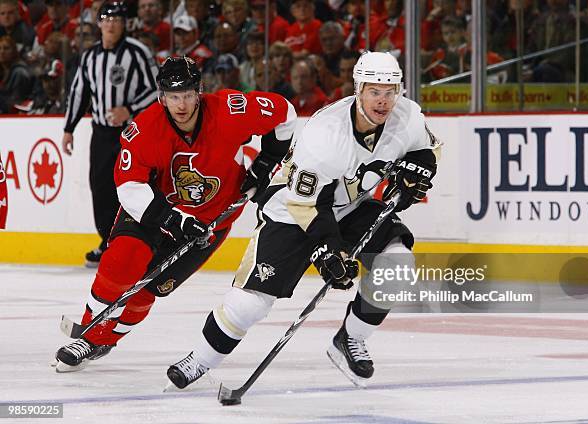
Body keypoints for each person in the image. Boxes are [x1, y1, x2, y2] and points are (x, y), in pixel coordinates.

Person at [166, 51, 441, 390]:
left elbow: (427, 148)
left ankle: (349, 339)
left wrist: (418, 169)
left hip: (351, 206)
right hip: (292, 212)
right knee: (249, 304)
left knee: (398, 263)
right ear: (358, 89)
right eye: (374, 91)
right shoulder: (324, 134)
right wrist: (329, 251)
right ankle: (201, 359)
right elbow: (305, 204)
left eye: (389, 92)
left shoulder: (408, 116)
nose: (382, 101)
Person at [54, 56, 297, 372]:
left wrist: (266, 162)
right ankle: (88, 333)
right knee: (121, 263)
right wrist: (169, 217)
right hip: (155, 210)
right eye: (172, 96)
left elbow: (285, 114)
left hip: (211, 220)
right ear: (161, 96)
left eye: (186, 94)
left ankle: (106, 340)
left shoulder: (231, 110)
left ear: (198, 91)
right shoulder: (144, 128)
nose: (180, 104)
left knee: (149, 289)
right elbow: (129, 187)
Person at [62, 1, 158, 268]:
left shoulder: (137, 53)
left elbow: (156, 89)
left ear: (124, 23)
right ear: (99, 23)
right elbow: (79, 93)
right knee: (101, 186)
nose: (111, 23)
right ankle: (109, 242)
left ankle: (142, 240)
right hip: (102, 133)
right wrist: (68, 129)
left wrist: (130, 109)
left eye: (117, 19)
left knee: (135, 185)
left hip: (134, 132)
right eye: (106, 18)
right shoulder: (89, 56)